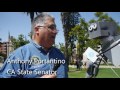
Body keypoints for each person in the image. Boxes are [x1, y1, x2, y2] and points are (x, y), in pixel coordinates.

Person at [0, 13, 68, 78]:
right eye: (52, 27)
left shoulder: (60, 55)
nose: (55, 31)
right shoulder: (19, 56)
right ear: (37, 30)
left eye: (55, 28)